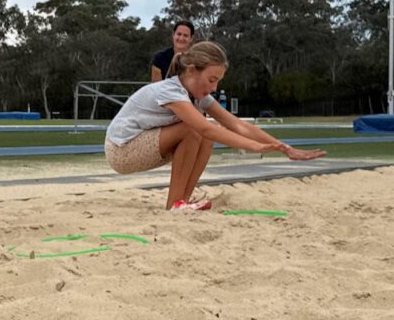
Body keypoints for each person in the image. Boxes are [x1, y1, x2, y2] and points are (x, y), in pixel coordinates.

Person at [105, 41, 326, 211]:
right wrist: (255, 147)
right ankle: (176, 204)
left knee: (204, 133)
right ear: (191, 71)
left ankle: (183, 200)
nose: (214, 87)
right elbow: (205, 128)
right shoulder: (170, 91)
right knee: (195, 129)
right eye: (211, 80)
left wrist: (282, 147)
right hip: (121, 150)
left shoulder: (197, 95)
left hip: (144, 144)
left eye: (218, 81)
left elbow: (236, 124)